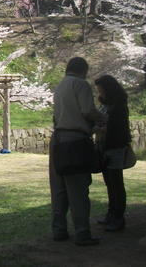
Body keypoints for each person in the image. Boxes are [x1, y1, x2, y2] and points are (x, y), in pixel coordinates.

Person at [50, 57, 106, 246]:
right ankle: (82, 233)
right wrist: (102, 119)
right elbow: (87, 110)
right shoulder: (80, 84)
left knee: (59, 189)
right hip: (75, 140)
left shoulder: (60, 86)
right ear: (84, 70)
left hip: (57, 140)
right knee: (78, 190)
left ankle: (59, 230)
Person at [94, 75, 131, 232]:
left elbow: (118, 128)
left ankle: (118, 217)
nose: (100, 94)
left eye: (101, 90)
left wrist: (101, 129)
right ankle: (111, 213)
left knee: (116, 183)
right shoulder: (106, 106)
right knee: (109, 183)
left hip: (115, 148)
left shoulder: (119, 106)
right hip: (104, 147)